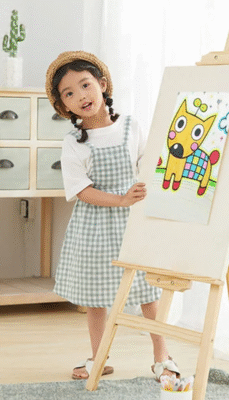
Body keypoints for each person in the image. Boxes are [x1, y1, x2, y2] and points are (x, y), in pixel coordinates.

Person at [45, 51, 180, 381]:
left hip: (133, 222)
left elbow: (149, 165)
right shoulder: (73, 142)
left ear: (102, 84)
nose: (81, 96)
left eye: (85, 85)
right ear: (64, 106)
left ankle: (162, 356)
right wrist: (120, 199)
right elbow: (82, 190)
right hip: (94, 226)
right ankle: (99, 356)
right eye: (69, 93)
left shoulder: (131, 127)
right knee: (96, 298)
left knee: (148, 292)